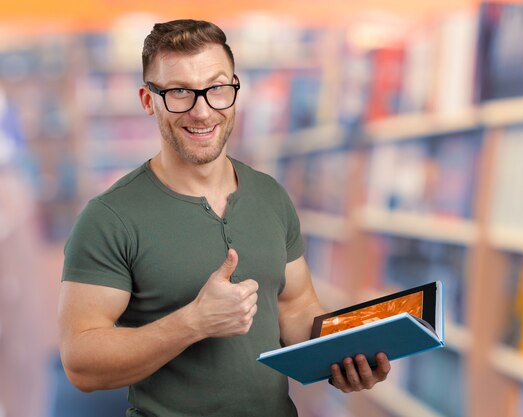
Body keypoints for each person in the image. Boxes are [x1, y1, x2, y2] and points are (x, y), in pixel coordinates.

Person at [58, 19, 391, 417]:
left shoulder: (270, 195)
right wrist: (193, 323)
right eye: (179, 91)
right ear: (148, 101)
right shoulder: (109, 218)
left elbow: (296, 309)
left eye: (216, 88)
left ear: (234, 91)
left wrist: (346, 358)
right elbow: (81, 362)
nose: (202, 111)